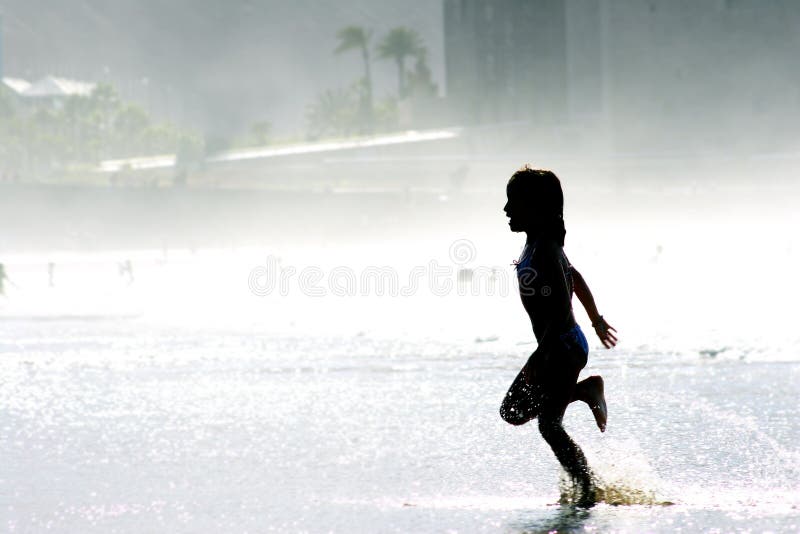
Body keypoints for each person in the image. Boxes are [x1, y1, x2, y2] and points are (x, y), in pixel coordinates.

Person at [499, 167, 617, 505]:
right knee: (514, 411)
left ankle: (587, 491)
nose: (506, 210)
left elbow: (560, 309)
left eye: (513, 203)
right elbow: (574, 276)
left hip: (561, 346)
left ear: (537, 208)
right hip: (561, 344)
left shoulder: (545, 249)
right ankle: (584, 390)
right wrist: (596, 320)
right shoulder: (537, 245)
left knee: (549, 425)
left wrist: (543, 354)